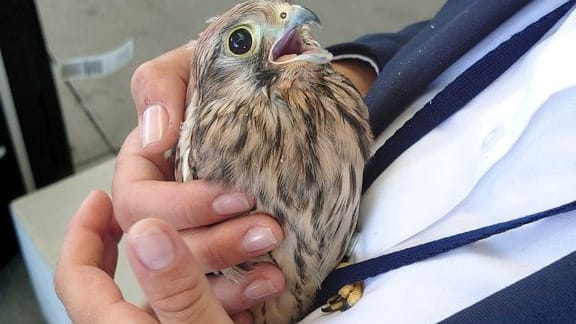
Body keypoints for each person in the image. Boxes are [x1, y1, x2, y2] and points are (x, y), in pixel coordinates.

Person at [55, 0, 576, 323]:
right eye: (243, 41)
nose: (296, 18)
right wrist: (361, 70)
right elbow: (450, 23)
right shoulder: (323, 93)